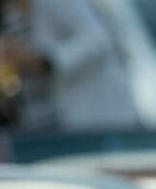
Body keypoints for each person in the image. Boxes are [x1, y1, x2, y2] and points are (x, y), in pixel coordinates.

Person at [0, 0, 137, 131]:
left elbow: (97, 39)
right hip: (37, 124)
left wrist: (44, 60)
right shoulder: (8, 12)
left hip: (93, 120)